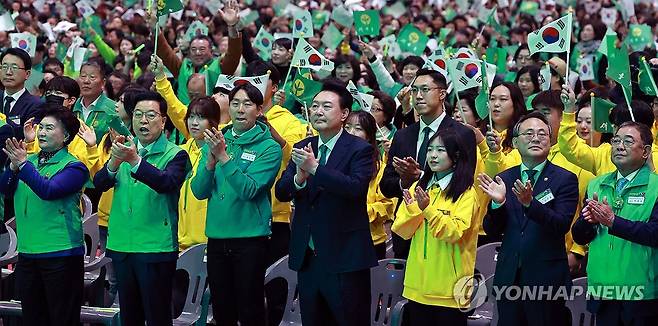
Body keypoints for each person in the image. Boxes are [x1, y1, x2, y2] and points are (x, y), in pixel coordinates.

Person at [275, 80, 377, 325]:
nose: (318, 111)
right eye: (315, 106)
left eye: (326, 106)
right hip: (308, 256)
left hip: (345, 257)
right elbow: (282, 191)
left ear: (344, 114)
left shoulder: (359, 149)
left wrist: (315, 168)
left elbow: (354, 188)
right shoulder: (303, 146)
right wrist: (300, 178)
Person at [93, 91, 191, 326]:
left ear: (164, 120)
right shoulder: (123, 148)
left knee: (157, 315)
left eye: (150, 115)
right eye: (138, 115)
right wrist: (114, 164)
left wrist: (135, 161)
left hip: (154, 246)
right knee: (130, 315)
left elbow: (166, 183)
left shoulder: (176, 154)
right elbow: (99, 184)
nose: (143, 121)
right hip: (122, 244)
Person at [191, 83, 282, 325]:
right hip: (217, 237)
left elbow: (249, 189)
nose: (240, 109)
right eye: (235, 103)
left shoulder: (269, 148)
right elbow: (199, 191)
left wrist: (223, 157)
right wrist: (210, 162)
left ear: (259, 110)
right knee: (221, 307)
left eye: (247, 104)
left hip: (250, 238)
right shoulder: (217, 140)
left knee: (250, 307)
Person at [478, 112, 578, 325]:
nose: (536, 138)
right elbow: (492, 230)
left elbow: (561, 224)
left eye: (542, 134)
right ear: (515, 142)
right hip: (509, 277)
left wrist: (530, 204)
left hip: (547, 279)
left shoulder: (565, 179)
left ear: (551, 141)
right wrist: (498, 204)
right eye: (529, 133)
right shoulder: (505, 177)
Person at [0, 106, 88, 326]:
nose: (41, 133)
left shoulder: (74, 167)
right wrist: (11, 168)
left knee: (61, 318)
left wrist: (22, 164)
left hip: (61, 253)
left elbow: (48, 191)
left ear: (66, 136)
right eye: (41, 128)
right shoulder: (28, 160)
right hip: (29, 252)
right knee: (33, 318)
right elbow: (5, 190)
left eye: (50, 128)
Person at [380, 69, 476, 259]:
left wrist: (420, 177)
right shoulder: (402, 135)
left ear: (442, 94)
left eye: (425, 89)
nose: (418, 96)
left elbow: (464, 180)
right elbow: (385, 186)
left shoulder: (462, 134)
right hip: (407, 232)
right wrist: (404, 182)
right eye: (414, 90)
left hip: (443, 234)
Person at [572, 121, 658, 326]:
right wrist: (588, 222)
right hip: (603, 290)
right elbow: (580, 236)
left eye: (628, 141)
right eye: (616, 140)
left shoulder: (655, 187)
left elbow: (654, 234)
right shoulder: (596, 184)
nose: (619, 146)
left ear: (646, 152)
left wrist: (613, 222)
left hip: (640, 292)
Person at [393, 129, 479, 325]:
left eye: (440, 150)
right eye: (430, 149)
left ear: (456, 156)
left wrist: (428, 210)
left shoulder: (466, 192)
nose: (432, 155)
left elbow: (454, 232)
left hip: (450, 290)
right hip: (417, 286)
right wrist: (416, 210)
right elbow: (401, 229)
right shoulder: (419, 187)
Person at [156, 0, 242, 105]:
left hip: (212, 118)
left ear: (211, 50)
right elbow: (165, 53)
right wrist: (154, 28)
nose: (197, 52)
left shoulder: (220, 67)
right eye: (193, 49)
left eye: (202, 49)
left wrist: (232, 26)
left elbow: (234, 54)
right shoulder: (182, 67)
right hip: (183, 117)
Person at [344, 111, 396, 259]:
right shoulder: (333, 162)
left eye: (358, 128)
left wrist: (358, 211)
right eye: (347, 127)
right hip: (338, 239)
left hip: (369, 241)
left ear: (369, 136)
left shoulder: (380, 168)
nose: (351, 132)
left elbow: (387, 205)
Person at [178, 97, 221, 250]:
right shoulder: (180, 151)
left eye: (201, 117)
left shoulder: (221, 153)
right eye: (191, 116)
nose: (194, 123)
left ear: (213, 122)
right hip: (178, 240)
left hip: (207, 241)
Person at [73, 60, 118, 141]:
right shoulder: (72, 106)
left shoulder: (113, 108)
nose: (86, 81)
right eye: (83, 76)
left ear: (103, 83)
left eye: (92, 77)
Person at [0, 48, 41, 128]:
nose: (8, 72)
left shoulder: (35, 105)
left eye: (14, 68)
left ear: (27, 74)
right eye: (4, 67)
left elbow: (27, 134)